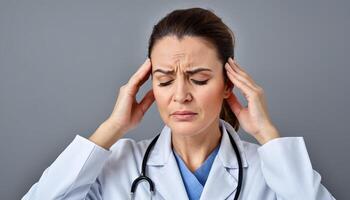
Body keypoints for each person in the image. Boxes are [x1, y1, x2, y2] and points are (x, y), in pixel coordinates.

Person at [21, 7, 336, 200]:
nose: (180, 94)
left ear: (229, 83)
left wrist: (267, 134)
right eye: (165, 79)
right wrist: (111, 128)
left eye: (199, 79)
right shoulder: (118, 162)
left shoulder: (269, 169)